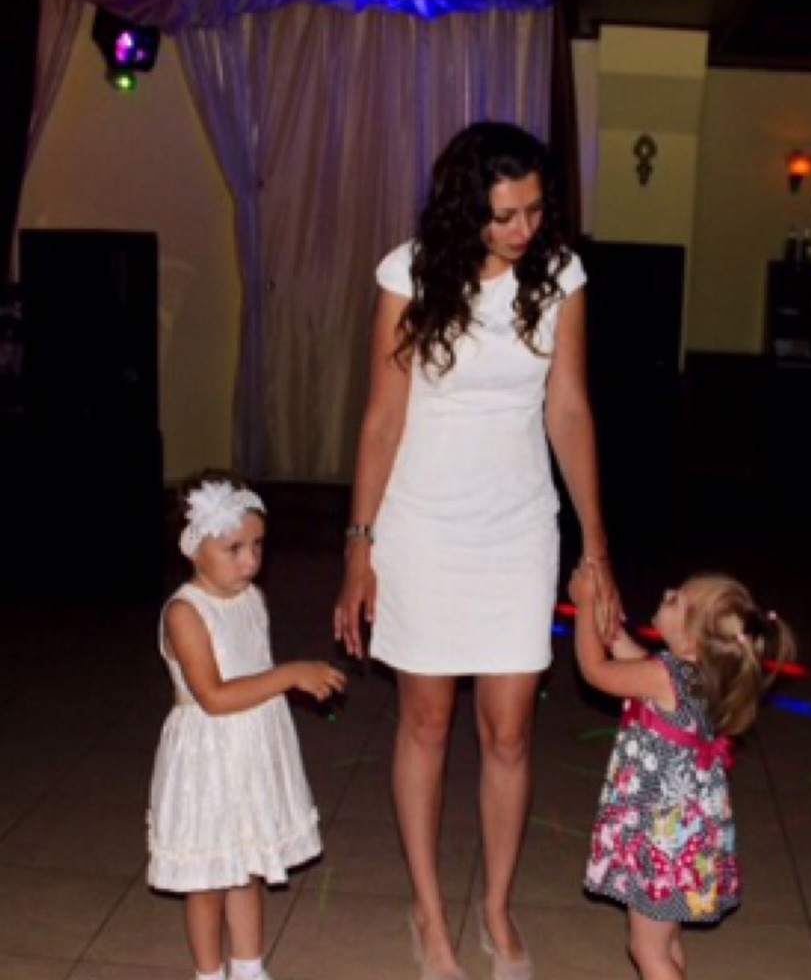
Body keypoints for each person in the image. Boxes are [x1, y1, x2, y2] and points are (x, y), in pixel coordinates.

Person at [334, 121, 621, 980]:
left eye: (535, 210)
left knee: (510, 730)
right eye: (505, 215)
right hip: (422, 525)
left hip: (519, 526)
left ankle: (495, 906)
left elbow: (568, 409)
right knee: (426, 720)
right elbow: (382, 420)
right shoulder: (409, 273)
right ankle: (429, 914)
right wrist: (359, 547)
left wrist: (596, 545)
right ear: (468, 210)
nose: (525, 228)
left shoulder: (561, 275)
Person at [148, 471, 345, 980]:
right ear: (193, 549)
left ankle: (250, 967)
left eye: (257, 545)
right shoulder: (185, 614)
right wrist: (289, 676)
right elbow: (213, 696)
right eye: (233, 548)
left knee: (247, 865)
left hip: (252, 748)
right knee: (208, 877)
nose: (251, 561)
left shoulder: (252, 598)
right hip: (208, 757)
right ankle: (209, 973)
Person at [570, 567, 795, 980]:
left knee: (645, 948)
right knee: (666, 940)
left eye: (677, 601)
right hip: (683, 836)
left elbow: (596, 671)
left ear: (690, 640)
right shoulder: (701, 674)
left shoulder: (664, 677)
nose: (669, 591)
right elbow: (633, 659)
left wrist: (584, 605)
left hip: (661, 837)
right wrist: (611, 627)